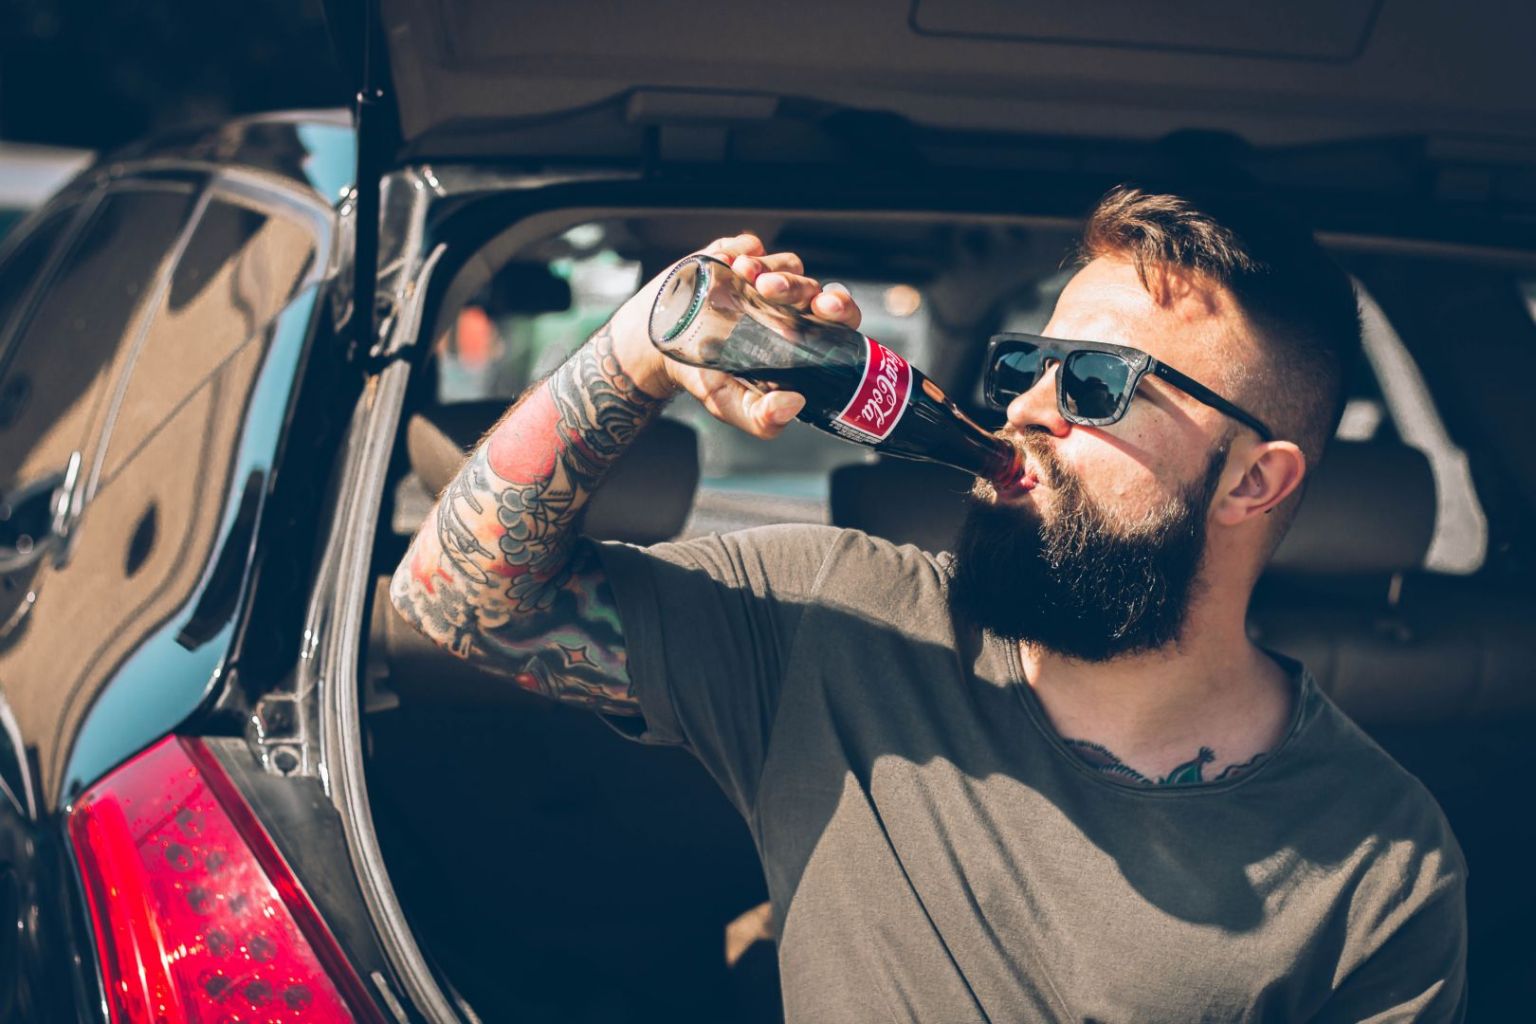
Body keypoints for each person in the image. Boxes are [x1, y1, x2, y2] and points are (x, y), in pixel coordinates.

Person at [390, 186, 1467, 1022]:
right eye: (1029, 364)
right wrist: (639, 349)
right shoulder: (837, 619)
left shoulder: (1382, 861)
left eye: (1096, 384)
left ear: (1253, 481)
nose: (1029, 405)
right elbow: (459, 602)